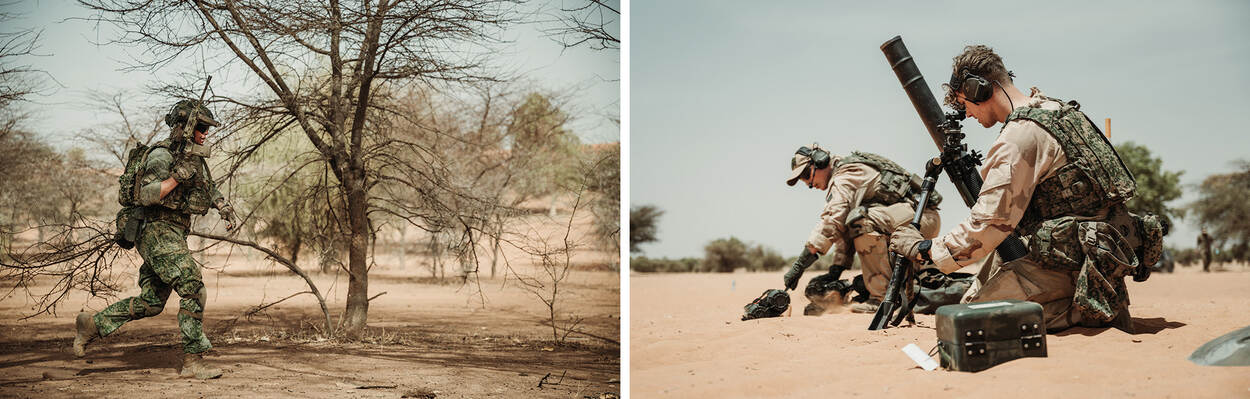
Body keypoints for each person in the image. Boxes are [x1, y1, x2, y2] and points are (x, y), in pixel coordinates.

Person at [889, 45, 1163, 333]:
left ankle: (1082, 309)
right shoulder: (1057, 111)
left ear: (978, 89)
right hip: (1095, 256)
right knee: (976, 292)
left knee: (967, 321)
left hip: (1067, 266)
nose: (966, 115)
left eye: (963, 104)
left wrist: (925, 249)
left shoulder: (1019, 138)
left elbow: (990, 223)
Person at [73, 99, 238, 379]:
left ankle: (92, 325)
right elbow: (148, 195)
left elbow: (207, 187)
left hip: (173, 232)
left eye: (206, 128)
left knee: (152, 302)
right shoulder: (161, 155)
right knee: (192, 285)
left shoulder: (192, 157)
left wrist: (222, 206)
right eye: (201, 127)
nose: (205, 133)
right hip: (155, 229)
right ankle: (193, 361)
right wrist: (176, 177)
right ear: (184, 127)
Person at [782, 144, 941, 315]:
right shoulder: (847, 171)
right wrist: (836, 269)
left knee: (861, 220)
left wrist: (799, 266)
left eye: (807, 175)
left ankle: (880, 298)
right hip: (911, 221)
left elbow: (832, 222)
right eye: (803, 181)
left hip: (922, 219)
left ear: (821, 161)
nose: (809, 184)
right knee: (855, 220)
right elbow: (842, 227)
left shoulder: (845, 176)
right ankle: (890, 286)